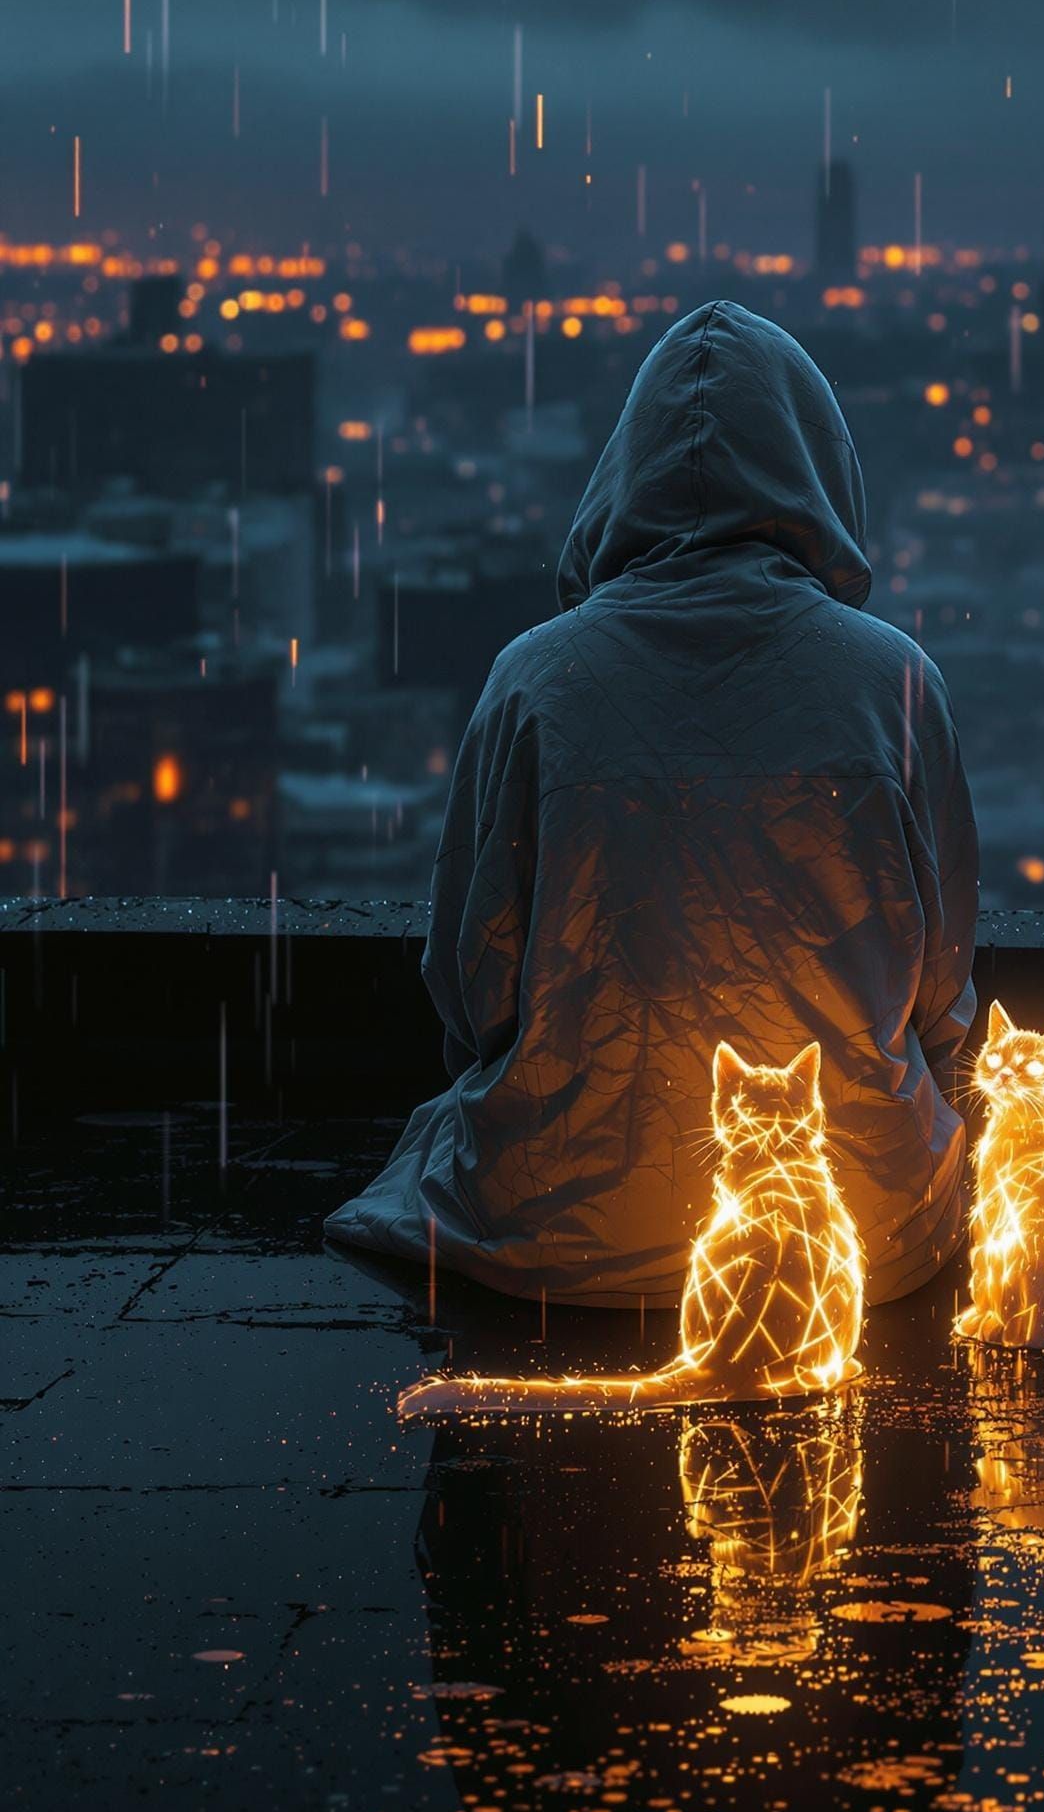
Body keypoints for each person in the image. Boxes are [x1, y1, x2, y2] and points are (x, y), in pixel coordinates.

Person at [326, 298, 978, 1309]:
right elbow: (942, 997)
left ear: (621, 472)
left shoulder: (534, 679)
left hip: (549, 1235)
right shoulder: (894, 681)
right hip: (856, 1238)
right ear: (820, 464)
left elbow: (471, 986)